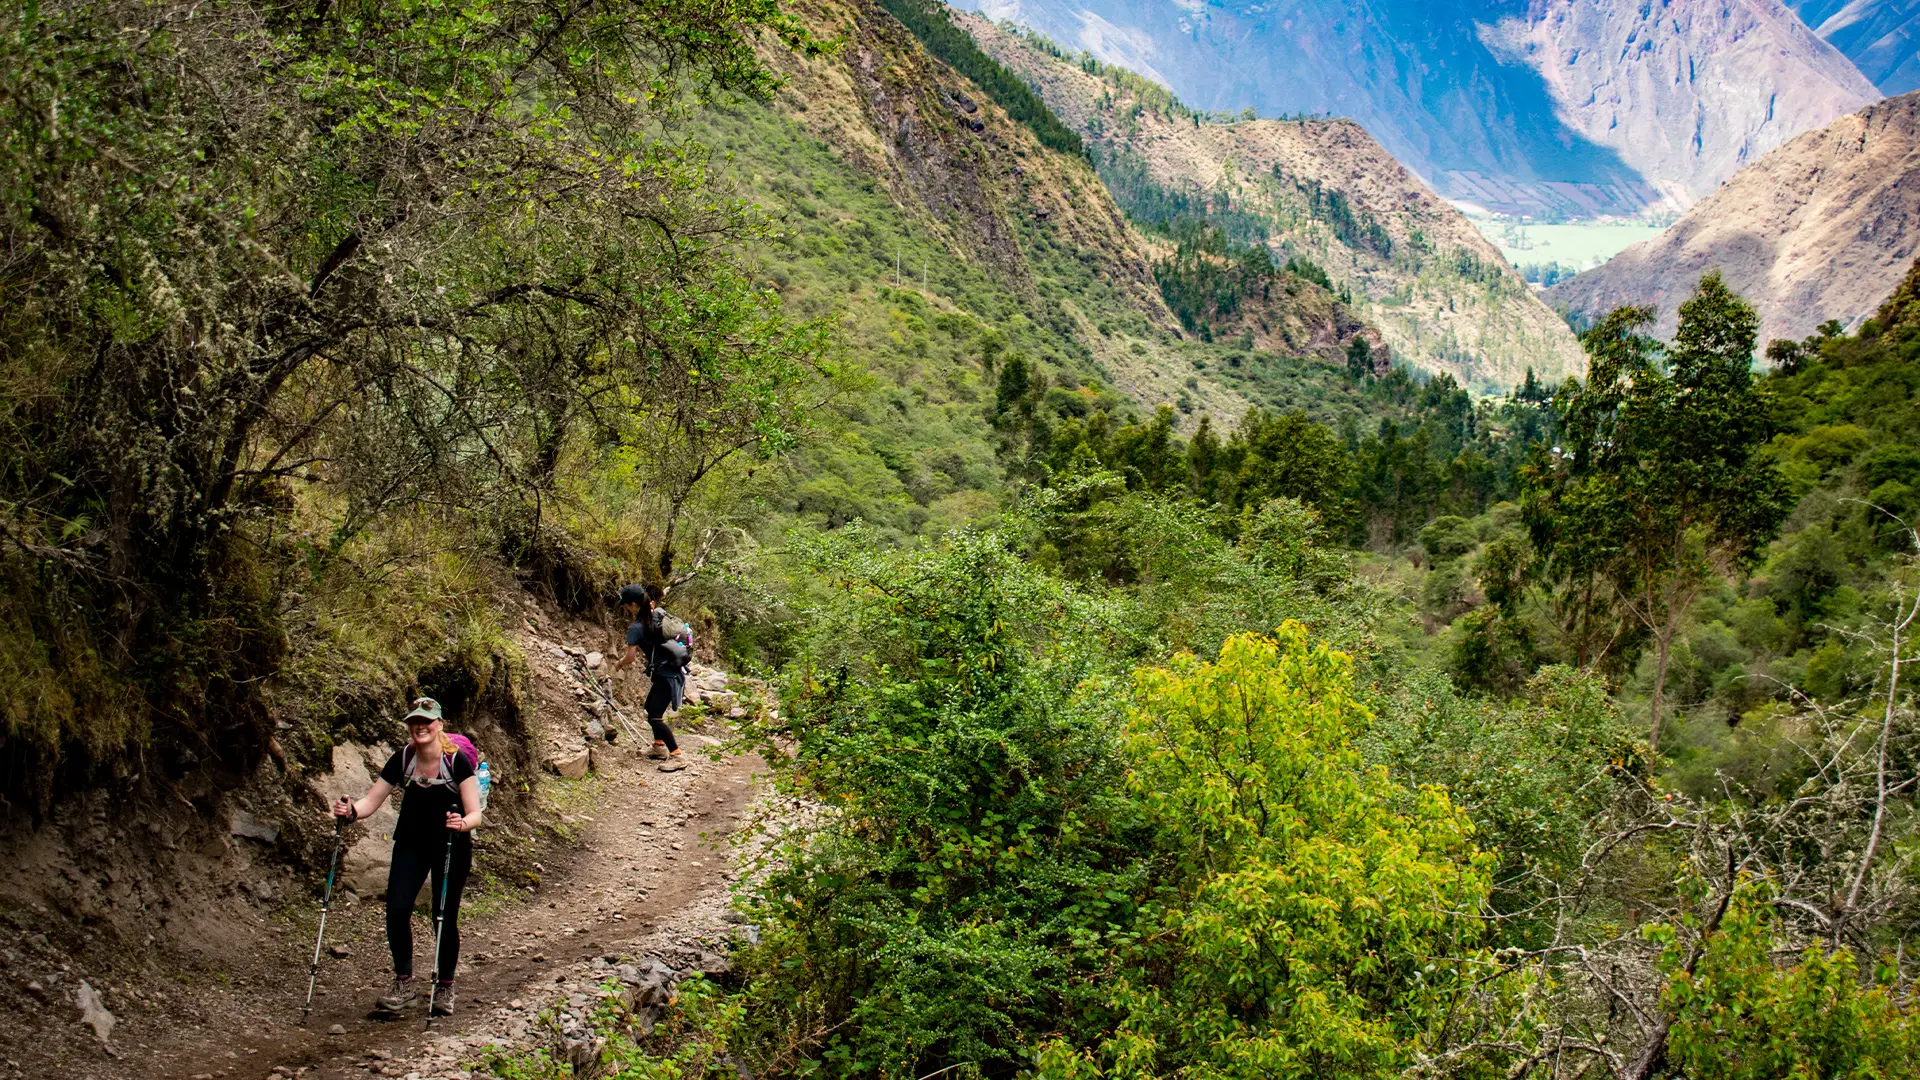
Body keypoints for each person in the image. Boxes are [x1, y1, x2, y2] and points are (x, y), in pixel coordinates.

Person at [331, 697, 482, 1018]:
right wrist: (351, 811)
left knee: (443, 916)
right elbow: (371, 801)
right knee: (397, 909)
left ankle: (445, 985)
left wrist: (461, 824)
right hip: (411, 842)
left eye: (427, 720)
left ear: (439, 724)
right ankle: (404, 983)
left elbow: (475, 813)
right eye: (415, 720)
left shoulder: (457, 763)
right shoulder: (402, 759)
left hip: (451, 845)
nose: (420, 726)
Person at [614, 582, 690, 772]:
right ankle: (658, 747)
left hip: (666, 676)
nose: (624, 608)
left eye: (625, 604)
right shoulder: (657, 614)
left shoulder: (636, 628)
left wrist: (619, 663)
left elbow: (630, 658)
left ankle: (677, 756)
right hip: (669, 672)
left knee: (655, 717)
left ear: (633, 604)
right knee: (650, 708)